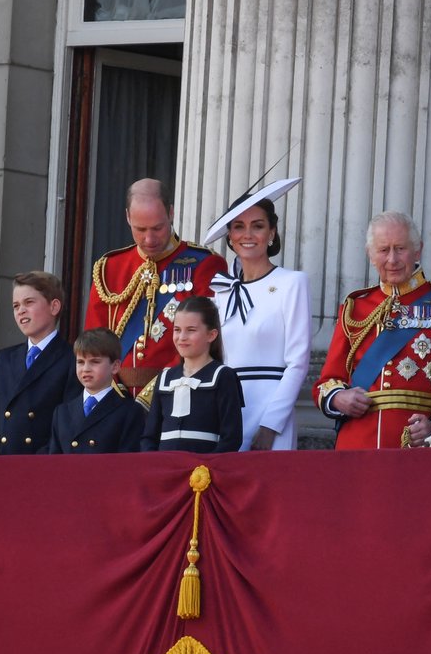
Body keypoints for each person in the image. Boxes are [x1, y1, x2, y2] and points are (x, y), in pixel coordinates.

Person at [314, 212, 431, 449]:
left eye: (400, 248)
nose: (392, 259)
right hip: (357, 443)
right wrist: (338, 397)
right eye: (384, 250)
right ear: (371, 255)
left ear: (418, 250)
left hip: (416, 445)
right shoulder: (356, 307)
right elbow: (328, 380)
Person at [84, 178, 228, 398]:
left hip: (177, 394)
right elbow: (94, 343)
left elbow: (206, 341)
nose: (149, 239)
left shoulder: (203, 264)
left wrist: (151, 398)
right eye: (140, 229)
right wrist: (112, 397)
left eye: (157, 228)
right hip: (115, 399)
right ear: (127, 217)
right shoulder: (109, 268)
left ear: (170, 213)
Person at [203, 179, 311, 451]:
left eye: (258, 226)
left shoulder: (292, 283)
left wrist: (270, 425)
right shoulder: (220, 292)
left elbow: (297, 363)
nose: (247, 235)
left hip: (273, 411)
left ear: (272, 232)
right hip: (225, 411)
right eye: (239, 226)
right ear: (229, 236)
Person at [0, 271, 81, 454]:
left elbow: (67, 426)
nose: (20, 310)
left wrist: (33, 466)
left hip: (41, 469)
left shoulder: (71, 359)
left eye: (29, 302)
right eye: (16, 306)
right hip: (1, 468)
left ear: (54, 307)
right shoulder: (4, 359)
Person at [140, 297, 244, 453]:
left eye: (191, 330)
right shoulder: (165, 377)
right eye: (177, 330)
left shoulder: (223, 376)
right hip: (164, 469)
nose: (182, 337)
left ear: (211, 335)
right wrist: (155, 465)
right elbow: (149, 436)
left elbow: (231, 438)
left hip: (204, 472)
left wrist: (206, 468)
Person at [49, 328, 145, 453]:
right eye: (80, 362)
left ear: (115, 366)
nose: (86, 369)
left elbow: (127, 464)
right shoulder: (62, 413)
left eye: (95, 362)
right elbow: (54, 463)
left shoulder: (129, 411)